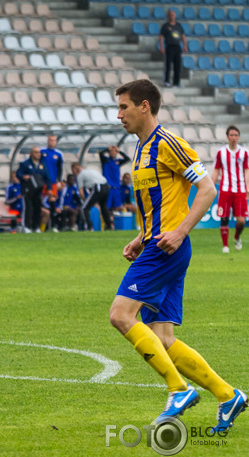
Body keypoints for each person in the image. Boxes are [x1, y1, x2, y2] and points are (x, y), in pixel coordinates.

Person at [109, 79, 246, 431]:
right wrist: (141, 236)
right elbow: (162, 203)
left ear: (144, 106)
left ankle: (178, 390)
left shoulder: (168, 143)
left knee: (121, 315)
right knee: (163, 337)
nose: (118, 114)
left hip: (167, 248)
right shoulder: (140, 149)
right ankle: (228, 395)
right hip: (157, 243)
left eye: (124, 106)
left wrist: (181, 230)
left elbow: (207, 188)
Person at [211, 125, 249, 253]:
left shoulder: (244, 152)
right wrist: (212, 185)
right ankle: (225, 246)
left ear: (239, 137)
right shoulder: (221, 152)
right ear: (227, 137)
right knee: (224, 217)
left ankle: (237, 237)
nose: (234, 138)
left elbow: (246, 171)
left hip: (240, 190)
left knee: (241, 220)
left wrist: (248, 187)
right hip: (225, 190)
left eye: (236, 135)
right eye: (231, 135)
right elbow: (216, 170)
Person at [16, 146, 50, 233]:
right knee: (28, 208)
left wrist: (49, 189)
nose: (38, 154)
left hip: (38, 191)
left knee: (37, 208)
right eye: (36, 152)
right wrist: (24, 177)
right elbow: (18, 174)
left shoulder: (42, 164)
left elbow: (47, 177)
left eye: (39, 152)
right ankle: (26, 226)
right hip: (28, 190)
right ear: (31, 154)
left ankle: (36, 226)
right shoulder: (25, 164)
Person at [72, 162, 112, 231]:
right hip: (106, 187)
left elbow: (81, 192)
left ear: (76, 169)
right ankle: (108, 225)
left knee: (84, 207)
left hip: (98, 187)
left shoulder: (80, 175)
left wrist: (84, 201)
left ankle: (89, 226)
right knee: (103, 206)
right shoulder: (91, 170)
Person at [99, 145, 131, 214]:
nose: (113, 152)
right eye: (111, 151)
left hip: (116, 188)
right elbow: (101, 154)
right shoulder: (105, 160)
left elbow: (128, 159)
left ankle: (115, 221)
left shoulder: (118, 162)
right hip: (108, 188)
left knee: (118, 207)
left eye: (114, 151)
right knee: (107, 207)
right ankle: (107, 222)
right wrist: (107, 149)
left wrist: (119, 151)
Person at [40, 135, 63, 232]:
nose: (52, 142)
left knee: (52, 202)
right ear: (47, 141)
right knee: (41, 202)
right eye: (50, 140)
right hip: (42, 182)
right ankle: (39, 227)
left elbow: (60, 169)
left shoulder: (58, 154)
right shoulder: (42, 152)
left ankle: (53, 225)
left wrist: (59, 181)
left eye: (54, 140)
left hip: (53, 182)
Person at [158, 9, 187, 88]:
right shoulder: (165, 26)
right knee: (168, 65)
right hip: (169, 46)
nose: (172, 16)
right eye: (170, 15)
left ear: (175, 16)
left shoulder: (178, 26)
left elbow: (182, 36)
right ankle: (167, 81)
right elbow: (161, 37)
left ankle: (176, 82)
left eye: (173, 15)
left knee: (177, 65)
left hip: (177, 46)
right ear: (168, 16)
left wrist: (185, 45)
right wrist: (161, 47)